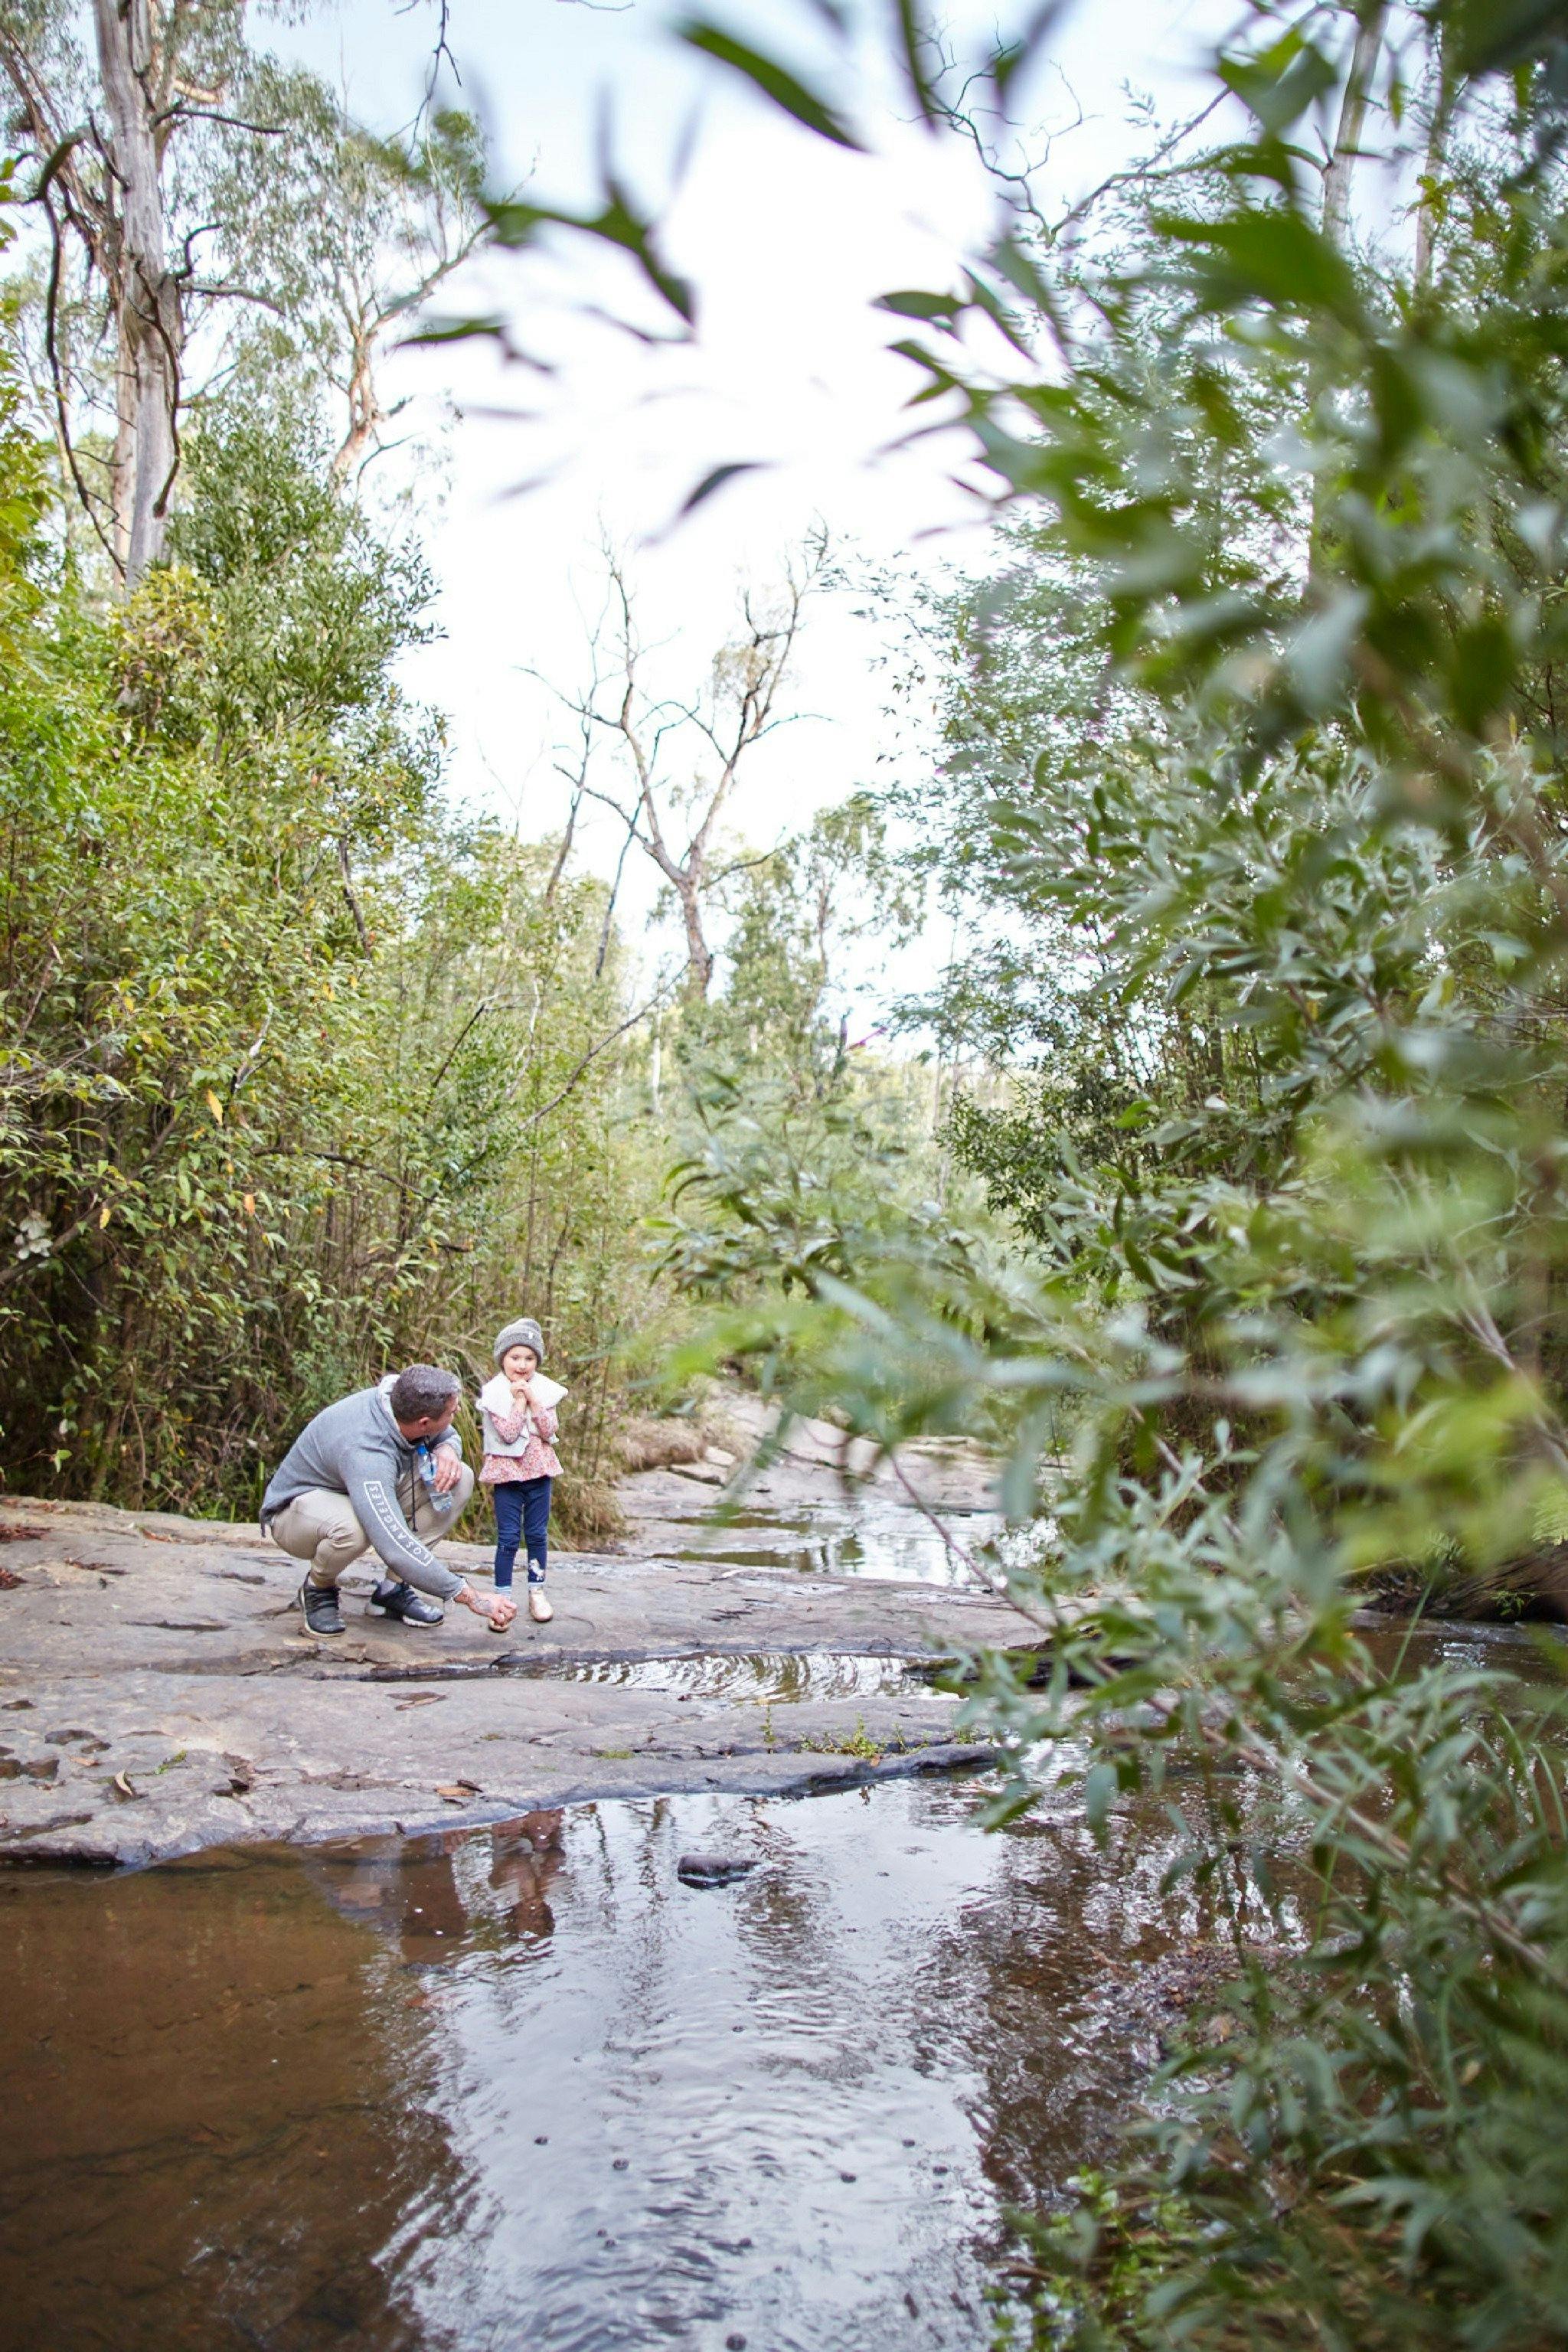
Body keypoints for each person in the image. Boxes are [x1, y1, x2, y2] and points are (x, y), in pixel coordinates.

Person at [263, 1362, 517, 1637]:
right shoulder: (368, 1452)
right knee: (354, 1529)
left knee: (459, 1479)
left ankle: (392, 1591)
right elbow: (393, 1545)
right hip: (295, 1514)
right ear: (423, 1423)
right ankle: (317, 1587)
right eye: (452, 1413)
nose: (455, 1417)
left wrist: (447, 1448)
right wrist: (469, 1596)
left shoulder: (401, 1397)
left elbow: (446, 1433)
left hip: (355, 1492)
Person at [477, 1316, 563, 1625]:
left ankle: (537, 1591)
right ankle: (502, 1599)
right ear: (503, 1359)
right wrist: (517, 1401)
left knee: (537, 1533)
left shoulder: (545, 1391)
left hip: (539, 1472)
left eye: (529, 1358)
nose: (522, 1365)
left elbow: (550, 1428)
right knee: (509, 1537)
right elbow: (509, 1433)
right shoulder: (494, 1393)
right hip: (507, 1475)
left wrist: (534, 1400)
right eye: (515, 1357)